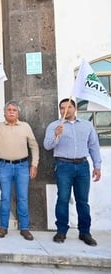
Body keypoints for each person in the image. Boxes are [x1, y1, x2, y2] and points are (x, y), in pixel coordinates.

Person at [43, 98, 101, 246]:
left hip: (82, 166)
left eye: (68, 107)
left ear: (75, 109)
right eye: (62, 108)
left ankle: (85, 232)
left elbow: (94, 146)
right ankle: (61, 231)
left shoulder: (87, 126)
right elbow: (47, 146)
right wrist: (57, 135)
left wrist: (97, 165)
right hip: (63, 166)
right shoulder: (55, 125)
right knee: (63, 199)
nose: (65, 110)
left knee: (83, 201)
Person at [0, 100, 39, 241]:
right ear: (4, 112)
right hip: (4, 167)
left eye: (14, 110)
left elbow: (34, 146)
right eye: (8, 109)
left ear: (18, 113)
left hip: (22, 166)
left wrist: (34, 164)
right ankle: (3, 227)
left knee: (23, 198)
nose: (11, 112)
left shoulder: (25, 126)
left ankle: (25, 228)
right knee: (5, 198)